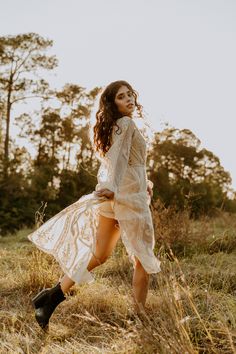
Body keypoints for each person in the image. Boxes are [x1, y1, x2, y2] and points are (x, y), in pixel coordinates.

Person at [28, 80, 161, 331]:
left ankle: (50, 298)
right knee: (142, 259)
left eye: (130, 94)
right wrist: (115, 187)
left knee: (100, 255)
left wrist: (145, 182)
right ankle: (140, 320)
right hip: (127, 199)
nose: (129, 99)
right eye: (121, 97)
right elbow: (120, 160)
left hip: (117, 196)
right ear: (112, 103)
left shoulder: (117, 126)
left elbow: (123, 162)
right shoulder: (127, 123)